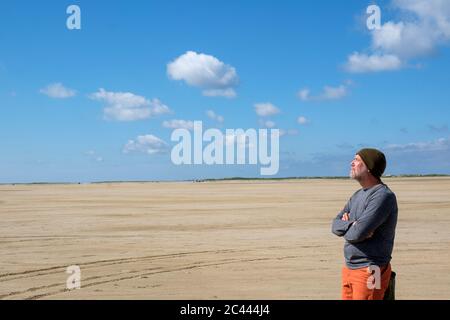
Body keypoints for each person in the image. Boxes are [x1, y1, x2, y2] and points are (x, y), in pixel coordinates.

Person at [331, 148, 398, 300]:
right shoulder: (357, 195)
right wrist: (352, 224)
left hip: (371, 269)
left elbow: (358, 233)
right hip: (350, 267)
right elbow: (334, 225)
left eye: (357, 160)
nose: (351, 163)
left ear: (369, 167)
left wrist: (352, 226)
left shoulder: (382, 196)